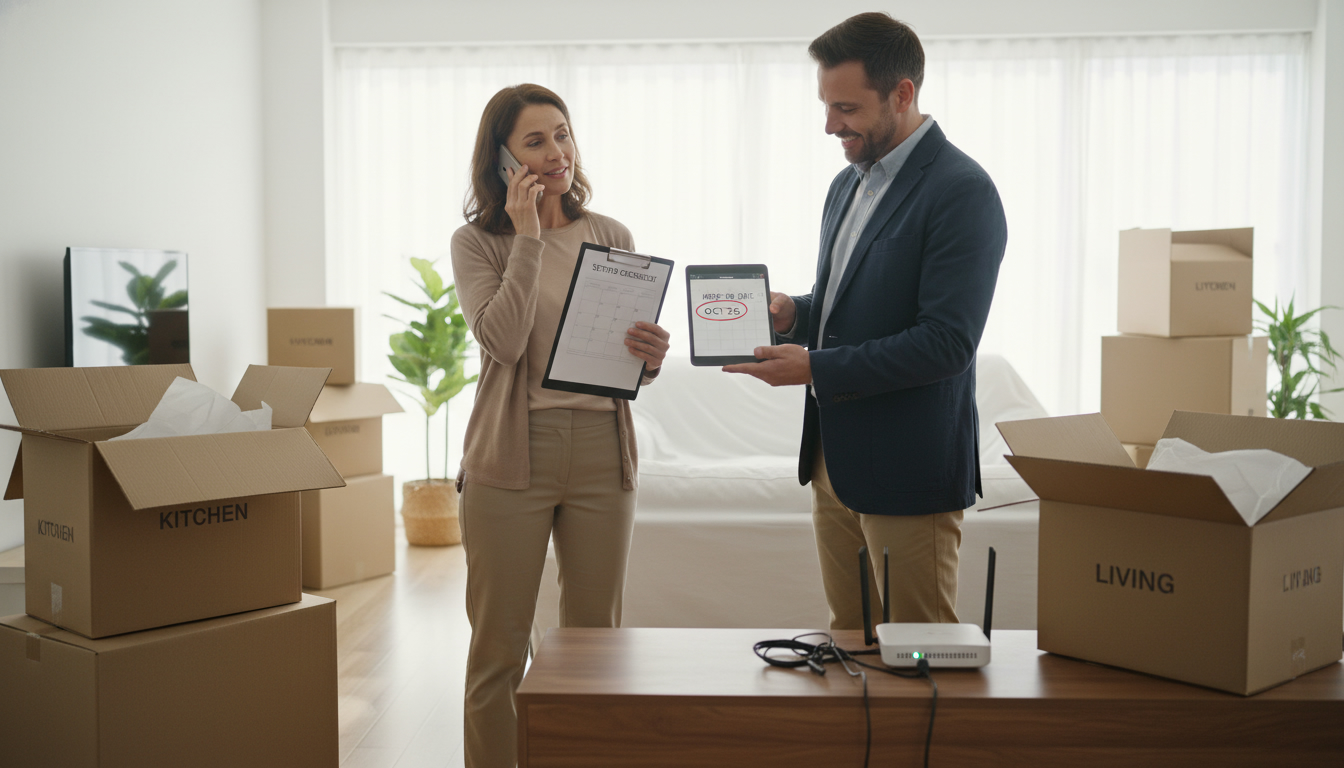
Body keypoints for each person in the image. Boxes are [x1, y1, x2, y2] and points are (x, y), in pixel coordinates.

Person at [725, 13, 1007, 630]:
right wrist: (795, 314)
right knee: (850, 644)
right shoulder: (845, 186)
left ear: (902, 94)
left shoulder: (962, 190)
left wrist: (815, 368)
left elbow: (946, 342)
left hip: (908, 469)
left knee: (920, 655)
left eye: (846, 108)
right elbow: (849, 304)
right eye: (826, 106)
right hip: (833, 462)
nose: (830, 125)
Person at [451, 83, 671, 768]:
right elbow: (503, 341)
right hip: (511, 458)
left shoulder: (611, 236)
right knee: (498, 650)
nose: (556, 153)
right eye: (535, 141)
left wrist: (648, 359)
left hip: (603, 452)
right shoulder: (477, 243)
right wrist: (528, 237)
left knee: (595, 646)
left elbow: (618, 360)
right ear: (502, 160)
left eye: (563, 134)